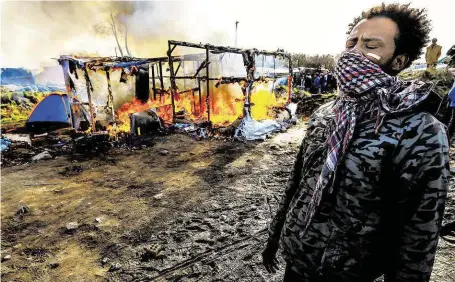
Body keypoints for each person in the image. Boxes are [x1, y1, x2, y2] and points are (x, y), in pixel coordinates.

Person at [263, 3, 451, 282]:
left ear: (398, 61)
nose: (353, 52)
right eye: (351, 42)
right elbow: (298, 184)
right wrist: (276, 237)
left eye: (369, 45)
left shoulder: (419, 131)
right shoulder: (327, 113)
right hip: (298, 259)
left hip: (351, 272)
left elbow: (419, 231)